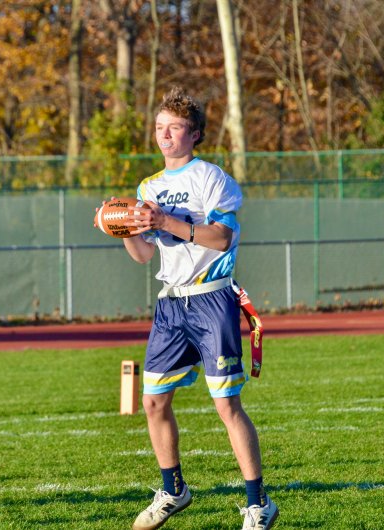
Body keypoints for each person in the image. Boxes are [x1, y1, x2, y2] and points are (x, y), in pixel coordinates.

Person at [120, 86, 278, 530]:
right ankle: (173, 491)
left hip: (212, 299)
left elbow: (221, 237)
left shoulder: (211, 178)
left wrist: (165, 221)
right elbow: (144, 256)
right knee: (153, 402)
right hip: (170, 306)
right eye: (159, 127)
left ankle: (258, 503)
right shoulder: (149, 186)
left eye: (174, 128)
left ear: (196, 134)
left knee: (226, 404)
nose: (164, 135)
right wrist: (123, 229)